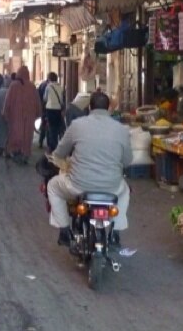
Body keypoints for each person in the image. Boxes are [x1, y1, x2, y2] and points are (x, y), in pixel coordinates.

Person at [47, 90, 132, 247]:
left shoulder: (77, 125)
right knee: (125, 191)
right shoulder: (121, 129)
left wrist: (61, 159)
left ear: (89, 107)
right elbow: (127, 161)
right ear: (108, 108)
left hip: (79, 185)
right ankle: (116, 232)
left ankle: (65, 230)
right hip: (111, 186)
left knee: (52, 186)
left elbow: (59, 152)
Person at [2, 65, 41, 164]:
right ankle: (25, 154)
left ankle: (16, 152)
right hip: (29, 117)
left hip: (15, 117)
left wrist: (5, 112)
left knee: (15, 133)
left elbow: (8, 101)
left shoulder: (13, 85)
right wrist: (38, 113)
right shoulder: (32, 86)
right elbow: (37, 102)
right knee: (27, 136)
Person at [42, 71, 66, 152]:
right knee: (57, 127)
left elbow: (45, 98)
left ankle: (52, 145)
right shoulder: (60, 87)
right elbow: (62, 100)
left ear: (49, 78)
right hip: (58, 110)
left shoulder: (48, 87)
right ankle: (56, 144)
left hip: (50, 109)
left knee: (51, 128)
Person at [36, 76, 49, 149]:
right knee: (46, 125)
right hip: (47, 108)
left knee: (44, 125)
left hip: (43, 108)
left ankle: (41, 141)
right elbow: (44, 98)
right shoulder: (47, 86)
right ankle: (47, 142)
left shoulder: (42, 84)